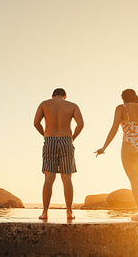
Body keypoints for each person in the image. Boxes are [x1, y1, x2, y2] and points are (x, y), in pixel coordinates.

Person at [95, 89, 138, 221]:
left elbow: (114, 128)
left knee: (135, 180)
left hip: (129, 143)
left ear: (123, 98)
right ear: (136, 97)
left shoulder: (121, 108)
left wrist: (104, 147)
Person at [34, 88, 84, 220]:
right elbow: (81, 124)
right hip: (66, 139)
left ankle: (45, 212)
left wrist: (44, 134)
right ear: (65, 96)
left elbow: (36, 123)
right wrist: (73, 137)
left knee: (49, 178)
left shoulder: (45, 104)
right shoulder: (72, 106)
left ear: (52, 96)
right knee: (66, 178)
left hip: (49, 139)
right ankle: (69, 211)